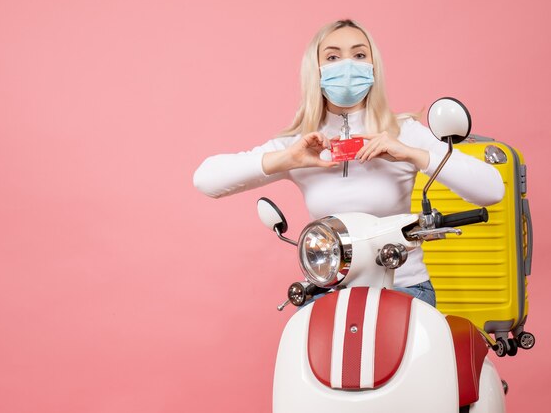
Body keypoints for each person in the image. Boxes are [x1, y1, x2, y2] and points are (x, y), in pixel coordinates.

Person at [192, 19, 504, 307]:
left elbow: (491, 190)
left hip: (403, 288)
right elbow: (206, 180)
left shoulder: (403, 132)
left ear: (373, 67)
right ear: (315, 70)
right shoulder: (301, 143)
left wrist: (413, 154)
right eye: (332, 57)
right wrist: (288, 158)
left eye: (358, 55)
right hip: (327, 291)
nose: (347, 66)